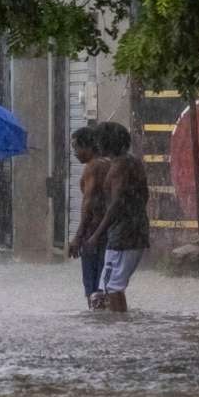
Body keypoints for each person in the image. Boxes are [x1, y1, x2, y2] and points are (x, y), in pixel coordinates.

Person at [83, 122, 149, 313]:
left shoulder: (120, 166)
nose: (95, 145)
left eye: (98, 140)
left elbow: (116, 204)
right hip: (135, 231)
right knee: (114, 286)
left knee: (111, 287)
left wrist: (96, 235)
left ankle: (120, 331)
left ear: (106, 142)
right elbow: (143, 197)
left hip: (122, 236)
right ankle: (121, 329)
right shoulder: (133, 162)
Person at [68, 126, 111, 308]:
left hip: (93, 234)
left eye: (76, 147)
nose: (75, 153)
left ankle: (96, 325)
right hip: (109, 231)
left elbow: (89, 203)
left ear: (88, 147)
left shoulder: (93, 168)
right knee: (105, 286)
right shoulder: (109, 164)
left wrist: (78, 236)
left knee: (93, 289)